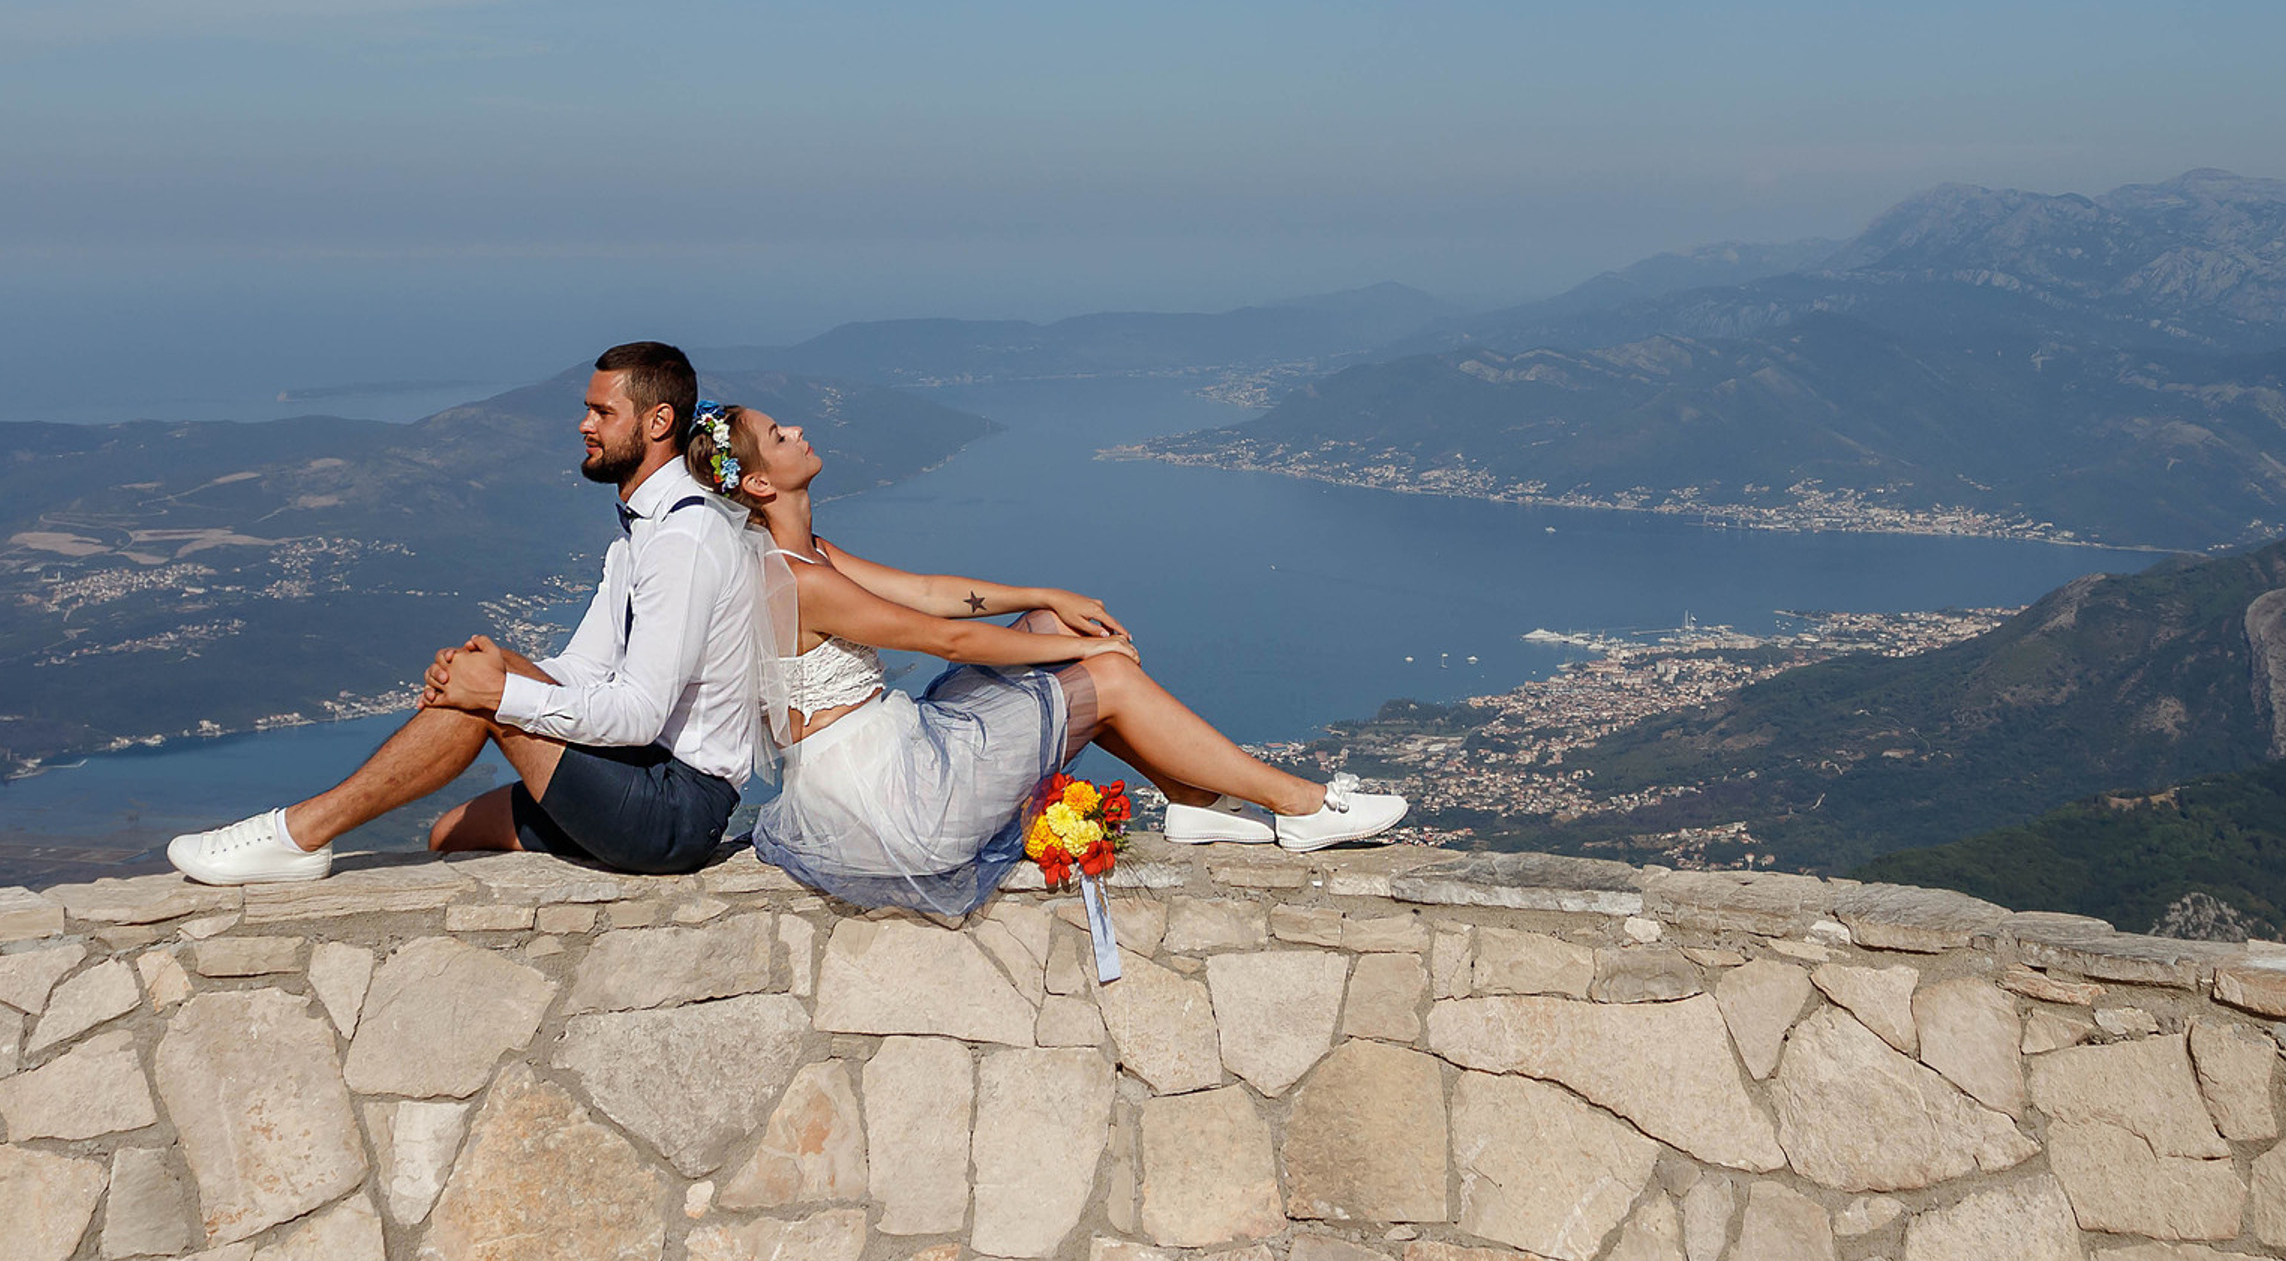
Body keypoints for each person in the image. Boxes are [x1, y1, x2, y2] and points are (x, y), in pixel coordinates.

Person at [690, 401, 1404, 913]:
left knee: (1039, 628)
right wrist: (1086, 649)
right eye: (780, 435)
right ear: (758, 484)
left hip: (887, 759)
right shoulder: (804, 579)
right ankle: (1300, 805)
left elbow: (935, 594)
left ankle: (1190, 800)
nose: (800, 430)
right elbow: (948, 640)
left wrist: (1045, 596)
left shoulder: (806, 554)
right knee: (1108, 677)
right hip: (894, 801)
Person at [165, 342, 766, 884]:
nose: (584, 425)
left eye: (603, 413)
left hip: (673, 807)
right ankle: (308, 829)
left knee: (488, 695)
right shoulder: (642, 535)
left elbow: (638, 714)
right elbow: (584, 665)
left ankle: (294, 834)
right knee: (450, 832)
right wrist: (487, 670)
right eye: (587, 408)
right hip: (636, 772)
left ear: (659, 421)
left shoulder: (684, 541)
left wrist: (498, 695)